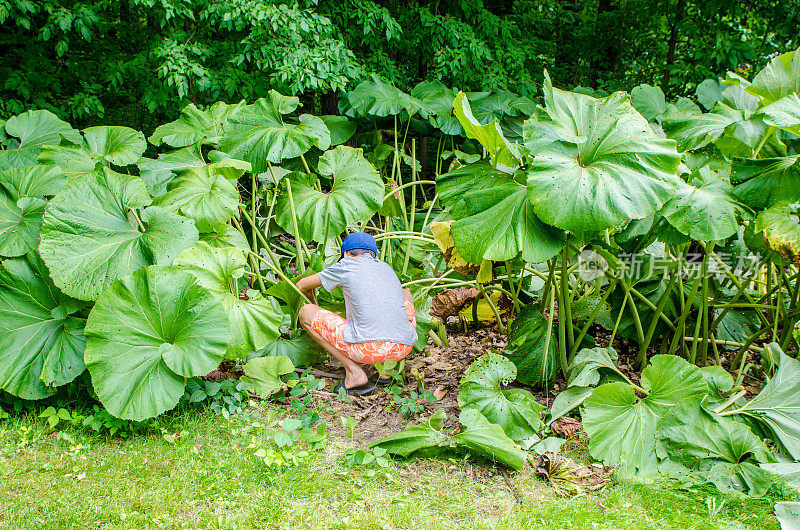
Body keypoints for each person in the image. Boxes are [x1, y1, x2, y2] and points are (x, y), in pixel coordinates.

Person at [297, 232, 417, 395]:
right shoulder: (385, 267)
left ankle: (354, 372)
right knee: (406, 294)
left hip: (367, 349)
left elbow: (302, 285)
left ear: (346, 253)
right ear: (373, 254)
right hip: (403, 346)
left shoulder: (346, 265)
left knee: (306, 312)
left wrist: (315, 308)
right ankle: (387, 371)